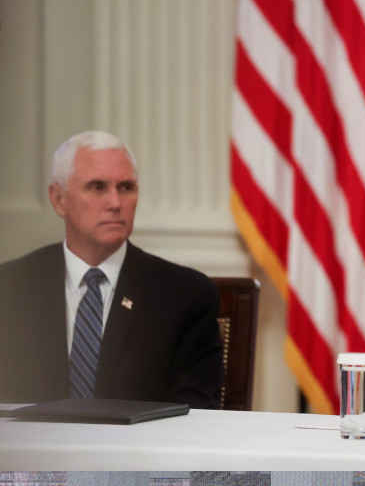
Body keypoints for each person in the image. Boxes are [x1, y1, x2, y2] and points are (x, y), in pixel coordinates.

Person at [0, 131, 223, 408]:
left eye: (126, 187)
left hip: (140, 450)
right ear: (59, 200)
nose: (116, 203)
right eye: (97, 187)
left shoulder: (185, 295)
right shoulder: (9, 288)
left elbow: (198, 412)